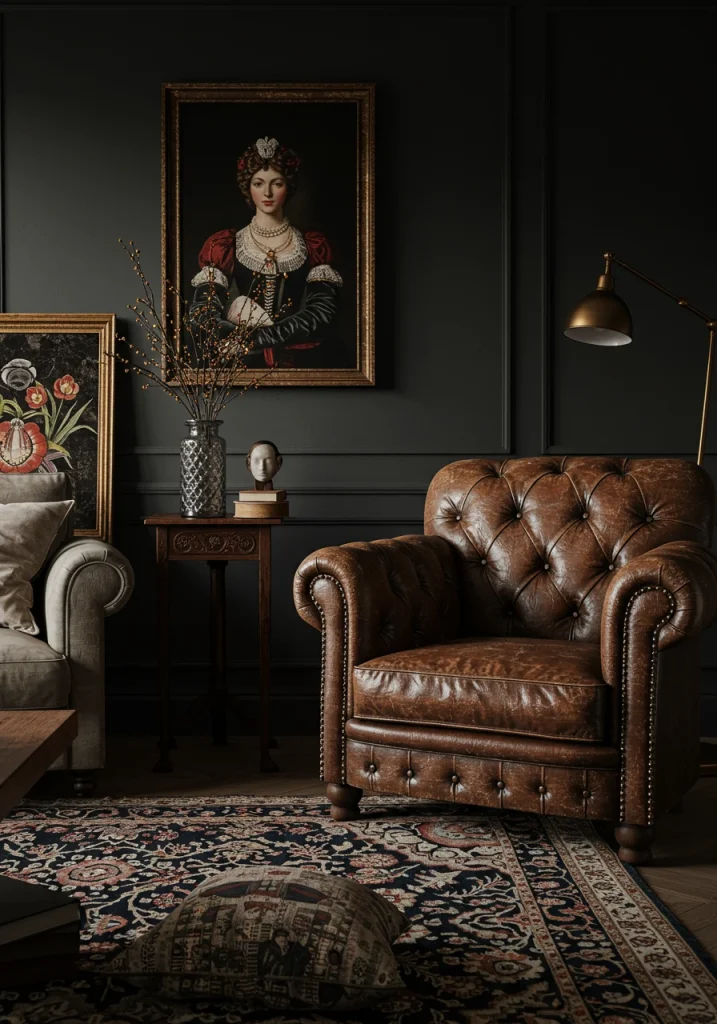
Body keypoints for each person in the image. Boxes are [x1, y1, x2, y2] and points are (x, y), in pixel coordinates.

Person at [189, 136, 342, 369]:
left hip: (303, 364)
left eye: (277, 183)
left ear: (288, 186)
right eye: (258, 183)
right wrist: (234, 338)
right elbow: (202, 314)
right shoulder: (224, 245)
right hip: (243, 365)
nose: (267, 193)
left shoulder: (312, 245)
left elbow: (321, 314)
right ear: (247, 187)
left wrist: (254, 338)